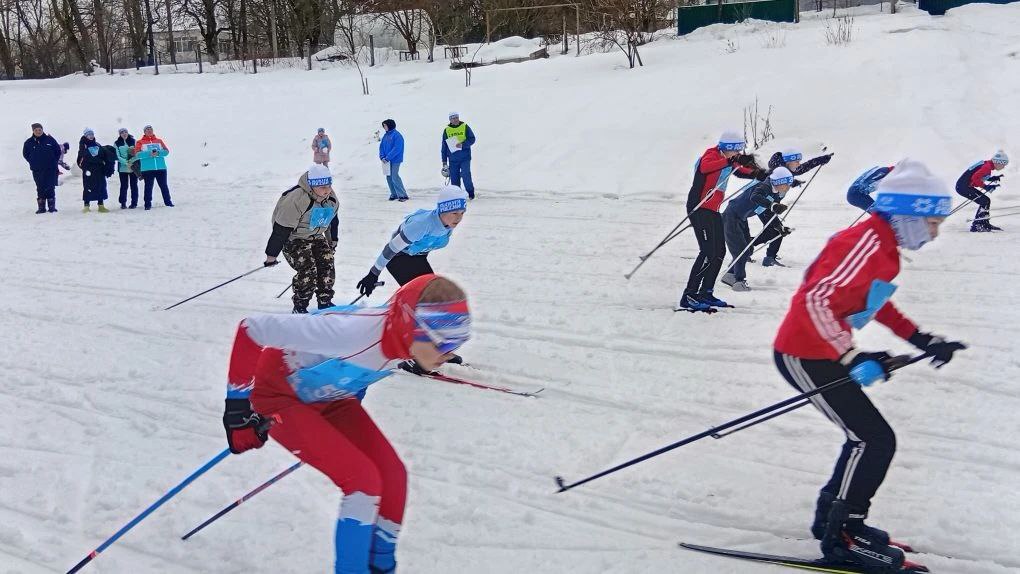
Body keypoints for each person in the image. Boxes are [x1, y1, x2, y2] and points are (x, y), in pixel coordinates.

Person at [773, 159, 966, 572]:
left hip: (823, 350)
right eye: (931, 222)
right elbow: (815, 298)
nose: (935, 232)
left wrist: (922, 339)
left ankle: (833, 521)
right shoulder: (863, 241)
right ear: (908, 214)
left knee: (864, 437)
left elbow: (873, 304)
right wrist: (851, 355)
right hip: (803, 351)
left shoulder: (882, 247)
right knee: (873, 439)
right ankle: (844, 535)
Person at [222, 273, 471, 574]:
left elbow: (366, 367)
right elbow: (252, 329)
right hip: (277, 396)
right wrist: (237, 412)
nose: (450, 353)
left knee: (393, 476)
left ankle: (381, 565)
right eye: (443, 342)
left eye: (458, 342)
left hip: (331, 397)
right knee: (362, 482)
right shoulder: (349, 332)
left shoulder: (404, 343)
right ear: (410, 327)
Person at [677, 131, 765, 312]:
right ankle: (689, 296)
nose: (739, 152)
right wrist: (730, 161)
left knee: (719, 252)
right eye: (738, 149)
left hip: (713, 210)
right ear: (730, 148)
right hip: (699, 208)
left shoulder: (729, 160)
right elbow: (705, 168)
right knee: (707, 251)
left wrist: (758, 174)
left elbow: (741, 172)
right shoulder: (712, 154)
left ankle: (706, 292)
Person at [357, 185, 468, 295]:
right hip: (398, 258)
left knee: (434, 294)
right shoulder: (421, 225)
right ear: (442, 210)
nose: (459, 218)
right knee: (426, 296)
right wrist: (373, 274)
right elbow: (390, 249)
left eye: (462, 213)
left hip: (417, 257)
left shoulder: (448, 224)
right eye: (454, 213)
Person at [264, 164, 340, 314]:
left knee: (327, 263)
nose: (327, 190)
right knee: (308, 269)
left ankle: (325, 301)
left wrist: (332, 242)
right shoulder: (296, 199)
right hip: (294, 238)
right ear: (312, 186)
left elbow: (332, 220)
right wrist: (271, 256)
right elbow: (281, 229)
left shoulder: (330, 198)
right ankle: (300, 306)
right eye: (323, 187)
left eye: (329, 185)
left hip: (316, 236)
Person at [721, 167, 794, 291]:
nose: (788, 187)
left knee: (748, 249)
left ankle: (730, 274)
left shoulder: (774, 193)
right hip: (731, 217)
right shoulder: (764, 186)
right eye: (787, 184)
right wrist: (772, 205)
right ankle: (739, 281)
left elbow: (769, 213)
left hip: (741, 219)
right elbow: (755, 197)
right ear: (778, 182)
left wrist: (779, 228)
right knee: (741, 252)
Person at [760, 148, 834, 266]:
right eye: (797, 162)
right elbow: (771, 183)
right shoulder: (780, 171)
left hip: (769, 206)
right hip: (765, 207)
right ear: (788, 162)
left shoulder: (785, 171)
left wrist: (821, 160)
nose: (799, 164)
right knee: (776, 231)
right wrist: (821, 160)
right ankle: (763, 255)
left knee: (774, 231)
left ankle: (752, 250)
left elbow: (803, 167)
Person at [956, 150, 1008, 232]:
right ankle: (977, 225)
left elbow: (979, 175)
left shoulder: (987, 164)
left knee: (986, 200)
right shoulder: (987, 167)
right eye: (1004, 164)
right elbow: (975, 178)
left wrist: (992, 178)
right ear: (998, 162)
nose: (1004, 167)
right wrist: (986, 187)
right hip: (963, 187)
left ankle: (984, 222)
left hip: (963, 186)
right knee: (984, 201)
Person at [22, 123, 61, 214]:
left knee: (50, 186)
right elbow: (26, 154)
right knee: (40, 187)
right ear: (33, 131)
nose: (38, 131)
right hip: (37, 170)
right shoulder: (28, 143)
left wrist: (53, 161)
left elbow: (57, 151)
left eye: (40, 130)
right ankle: (41, 208)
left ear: (42, 130)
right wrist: (33, 162)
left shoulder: (50, 140)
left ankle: (52, 207)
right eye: (36, 130)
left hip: (50, 168)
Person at [133, 125, 174, 209]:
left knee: (164, 186)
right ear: (144, 132)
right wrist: (149, 154)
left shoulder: (159, 141)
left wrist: (158, 153)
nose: (149, 131)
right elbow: (137, 154)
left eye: (150, 129)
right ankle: (147, 204)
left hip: (161, 168)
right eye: (147, 129)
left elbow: (166, 152)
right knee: (148, 187)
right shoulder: (140, 142)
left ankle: (168, 202)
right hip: (147, 169)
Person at [76, 128, 115, 213]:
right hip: (88, 170)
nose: (91, 136)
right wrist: (85, 167)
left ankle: (101, 205)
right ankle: (86, 206)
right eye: (89, 135)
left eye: (92, 134)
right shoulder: (83, 145)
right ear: (85, 136)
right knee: (88, 187)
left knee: (101, 187)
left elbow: (103, 155)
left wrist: (107, 163)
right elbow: (80, 159)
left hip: (99, 170)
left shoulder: (97, 144)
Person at [440, 113, 476, 199]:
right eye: (453, 118)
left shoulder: (465, 126)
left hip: (465, 157)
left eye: (456, 118)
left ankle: (471, 193)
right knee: (454, 179)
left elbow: (472, 139)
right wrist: (444, 162)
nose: (455, 119)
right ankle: (457, 195)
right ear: (450, 120)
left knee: (466, 175)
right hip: (453, 159)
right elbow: (444, 147)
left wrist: (463, 145)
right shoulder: (446, 130)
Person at [379, 119, 408, 202]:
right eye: (383, 126)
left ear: (390, 125)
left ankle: (403, 195)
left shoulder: (397, 135)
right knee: (388, 177)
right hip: (386, 161)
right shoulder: (385, 136)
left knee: (394, 176)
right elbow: (381, 147)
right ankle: (394, 194)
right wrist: (382, 157)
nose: (384, 127)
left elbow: (397, 148)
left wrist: (388, 157)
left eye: (385, 125)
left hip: (395, 160)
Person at [114, 128, 140, 209]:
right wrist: (126, 162)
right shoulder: (117, 143)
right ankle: (123, 203)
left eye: (125, 132)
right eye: (122, 132)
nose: (124, 134)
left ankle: (134, 203)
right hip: (123, 169)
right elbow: (117, 156)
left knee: (134, 186)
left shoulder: (133, 141)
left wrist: (131, 161)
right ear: (120, 134)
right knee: (124, 186)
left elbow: (138, 153)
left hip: (133, 168)